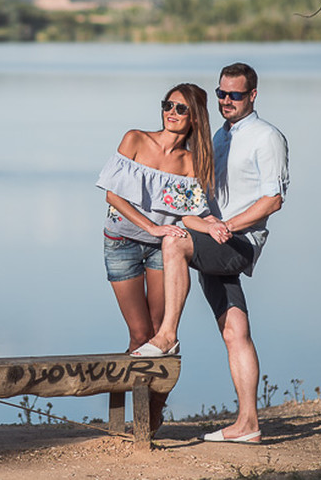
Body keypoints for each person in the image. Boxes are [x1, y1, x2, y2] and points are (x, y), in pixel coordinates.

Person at [132, 62, 288, 446]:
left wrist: (226, 227)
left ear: (252, 95)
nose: (226, 101)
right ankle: (248, 423)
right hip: (215, 239)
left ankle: (167, 334)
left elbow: (274, 200)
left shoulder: (266, 137)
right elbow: (199, 198)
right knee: (236, 331)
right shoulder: (219, 136)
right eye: (221, 94)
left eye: (234, 95)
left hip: (237, 243)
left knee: (174, 242)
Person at [95, 83, 215, 432]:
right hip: (121, 242)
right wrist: (153, 227)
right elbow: (113, 197)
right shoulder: (135, 139)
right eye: (168, 105)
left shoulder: (192, 162)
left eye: (180, 109)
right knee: (139, 334)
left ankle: (151, 417)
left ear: (195, 118)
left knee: (162, 336)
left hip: (163, 250)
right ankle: (139, 416)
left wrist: (215, 227)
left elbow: (191, 214)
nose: (171, 113)